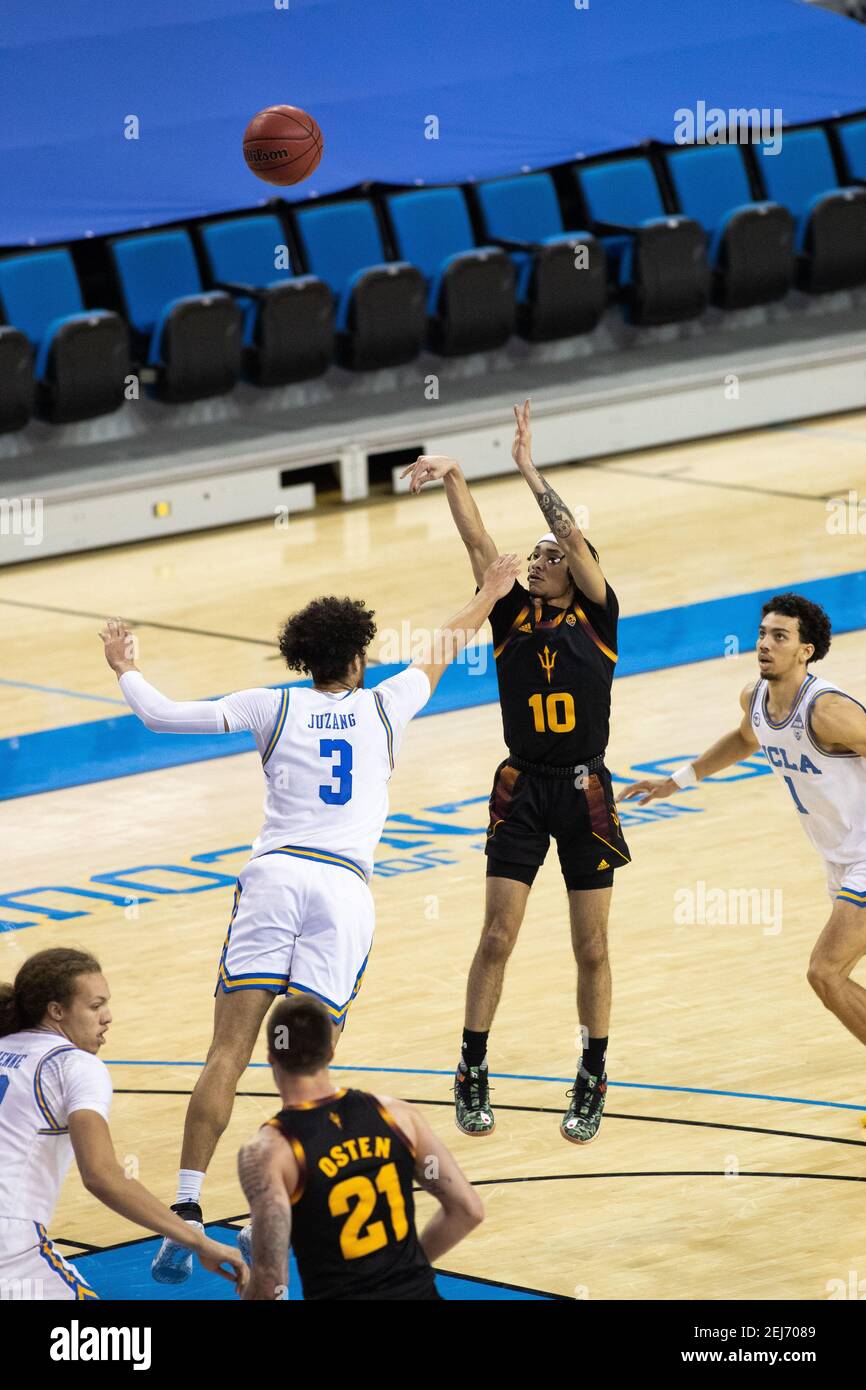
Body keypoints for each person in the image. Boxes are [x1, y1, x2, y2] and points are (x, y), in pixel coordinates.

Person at [99, 554, 519, 1282]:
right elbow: (446, 643)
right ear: (358, 656)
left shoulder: (274, 704)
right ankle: (310, 1207)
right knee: (309, 1066)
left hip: (274, 877)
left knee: (225, 1052)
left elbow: (160, 715)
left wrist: (124, 665)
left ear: (303, 657)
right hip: (343, 892)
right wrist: (488, 591)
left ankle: (189, 1208)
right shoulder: (387, 703)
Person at [400, 401, 630, 1145]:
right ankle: (471, 1067)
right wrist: (456, 475)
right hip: (521, 787)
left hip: (586, 790)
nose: (538, 559)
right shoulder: (509, 615)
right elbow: (477, 544)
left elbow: (567, 531)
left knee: (591, 947)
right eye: (534, 555)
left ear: (577, 564)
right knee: (497, 936)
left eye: (551, 555)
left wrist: (527, 468)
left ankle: (592, 1074)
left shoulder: (599, 612)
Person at [620, 592, 866, 1056]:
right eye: (761, 634)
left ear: (805, 651)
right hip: (838, 859)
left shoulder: (827, 712)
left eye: (779, 636)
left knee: (826, 973)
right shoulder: (755, 698)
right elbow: (745, 738)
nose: (764, 644)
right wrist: (677, 781)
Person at [0, 947, 247, 1299]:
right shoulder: (73, 1065)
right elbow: (102, 1176)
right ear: (56, 1011)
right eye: (95, 1005)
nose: (107, 1017)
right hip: (11, 1250)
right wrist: (196, 1240)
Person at [236, 995, 483, 1300]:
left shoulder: (270, 1151)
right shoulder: (397, 1115)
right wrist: (407, 1270)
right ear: (330, 1051)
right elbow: (468, 1211)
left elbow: (271, 1281)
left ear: (271, 1056)